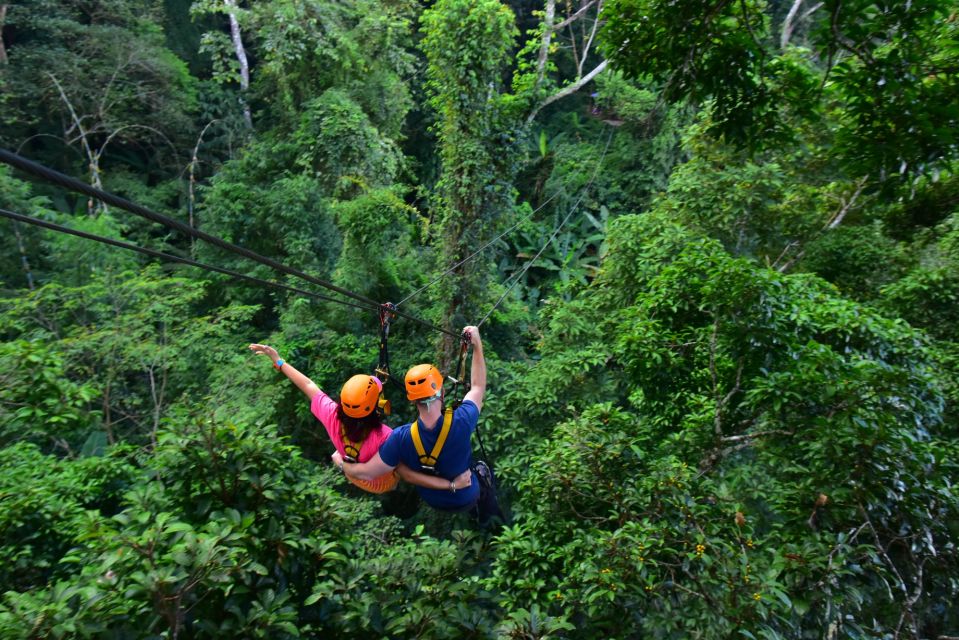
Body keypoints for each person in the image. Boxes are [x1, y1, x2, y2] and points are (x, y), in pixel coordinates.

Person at [248, 343, 470, 494]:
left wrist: (278, 361)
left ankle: (340, 461)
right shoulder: (386, 437)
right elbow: (408, 474)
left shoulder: (332, 414)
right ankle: (341, 462)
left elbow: (307, 385)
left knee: (340, 455)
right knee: (401, 467)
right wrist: (451, 484)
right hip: (380, 483)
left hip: (353, 473)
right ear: (377, 408)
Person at [334, 326, 501, 523]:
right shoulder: (462, 420)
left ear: (411, 400)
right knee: (482, 471)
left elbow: (368, 472)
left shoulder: (400, 438)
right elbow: (478, 386)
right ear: (442, 392)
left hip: (432, 499)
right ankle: (487, 514)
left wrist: (341, 463)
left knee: (406, 467)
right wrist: (477, 345)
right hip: (465, 495)